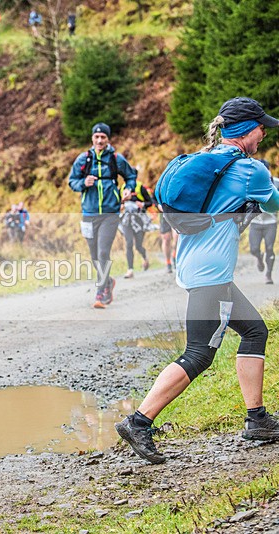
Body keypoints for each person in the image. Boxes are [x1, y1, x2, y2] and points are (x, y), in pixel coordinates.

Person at [116, 96, 279, 465]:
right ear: (244, 131)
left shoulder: (210, 163)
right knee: (199, 353)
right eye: (260, 127)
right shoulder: (250, 171)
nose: (264, 133)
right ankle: (138, 422)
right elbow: (274, 204)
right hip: (211, 275)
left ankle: (257, 420)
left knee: (255, 332)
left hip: (198, 267)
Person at [68, 122, 137, 309]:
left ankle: (100, 291)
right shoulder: (83, 160)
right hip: (89, 213)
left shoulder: (116, 159)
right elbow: (71, 181)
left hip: (110, 212)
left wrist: (127, 189)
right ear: (92, 138)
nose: (99, 140)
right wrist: (83, 183)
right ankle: (108, 282)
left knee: (103, 252)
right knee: (93, 255)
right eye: (97, 137)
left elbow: (131, 176)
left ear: (108, 139)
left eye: (103, 137)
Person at [248, 160, 278, 284]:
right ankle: (259, 258)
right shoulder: (252, 182)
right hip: (255, 222)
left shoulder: (276, 182)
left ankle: (268, 275)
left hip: (271, 222)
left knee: (270, 248)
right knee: (254, 249)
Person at [119, 181, 153, 278]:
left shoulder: (140, 187)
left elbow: (150, 202)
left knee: (138, 246)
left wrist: (142, 205)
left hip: (139, 220)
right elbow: (116, 204)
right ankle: (130, 270)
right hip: (127, 221)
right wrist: (121, 203)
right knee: (129, 243)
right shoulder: (122, 188)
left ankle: (145, 257)